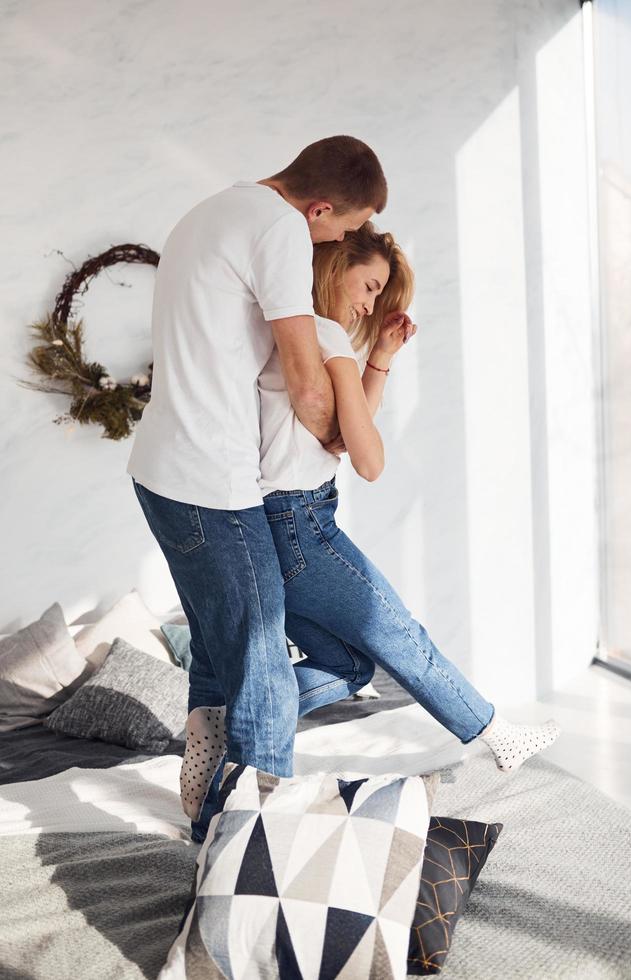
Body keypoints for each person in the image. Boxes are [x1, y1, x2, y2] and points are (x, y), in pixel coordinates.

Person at [183, 223, 561, 841]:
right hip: (302, 526)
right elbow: (368, 458)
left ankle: (237, 721)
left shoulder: (288, 334)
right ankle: (496, 733)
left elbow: (337, 432)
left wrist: (379, 359)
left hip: (276, 522)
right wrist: (367, 374)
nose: (369, 303)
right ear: (335, 265)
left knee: (351, 663)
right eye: (369, 285)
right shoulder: (323, 334)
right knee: (401, 637)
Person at [127, 137, 387, 841]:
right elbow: (305, 377)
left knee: (223, 647)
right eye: (338, 227)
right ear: (320, 205)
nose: (335, 241)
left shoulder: (211, 210)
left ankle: (213, 798)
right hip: (211, 479)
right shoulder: (278, 227)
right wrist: (342, 433)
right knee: (265, 670)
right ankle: (253, 845)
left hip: (160, 470)